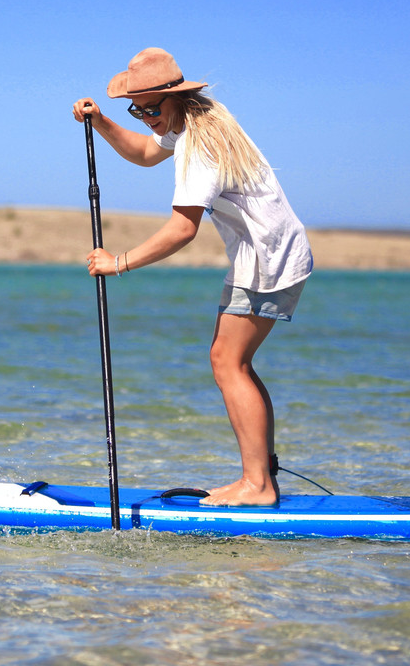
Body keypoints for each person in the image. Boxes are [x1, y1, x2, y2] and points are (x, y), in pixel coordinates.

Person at [72, 47, 312, 506]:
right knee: (232, 360)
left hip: (268, 258)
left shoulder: (200, 145)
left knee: (227, 361)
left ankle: (258, 485)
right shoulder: (195, 120)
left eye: (151, 108)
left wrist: (117, 262)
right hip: (266, 253)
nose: (145, 118)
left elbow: (184, 229)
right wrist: (102, 121)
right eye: (136, 109)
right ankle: (260, 479)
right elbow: (144, 153)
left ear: (174, 96)